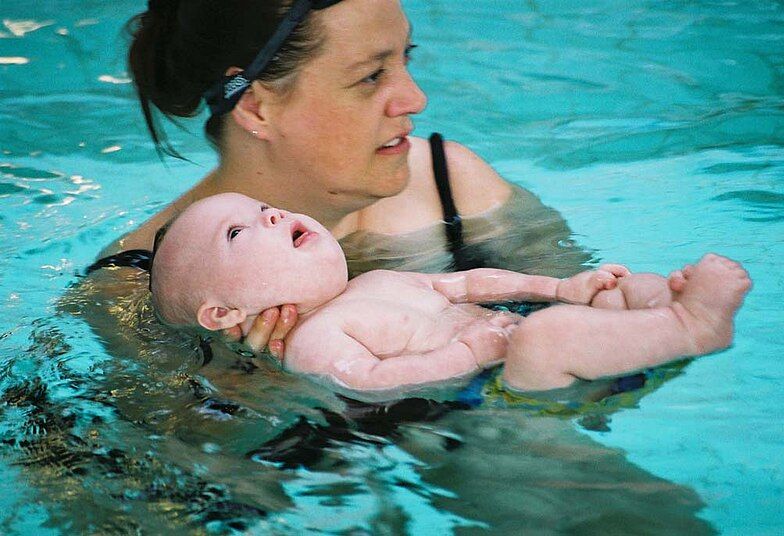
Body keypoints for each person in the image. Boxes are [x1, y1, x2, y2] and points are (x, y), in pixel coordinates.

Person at [102, 0, 591, 357]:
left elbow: (591, 316)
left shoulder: (451, 185)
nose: (414, 98)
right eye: (371, 76)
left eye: (406, 59)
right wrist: (254, 383)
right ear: (258, 106)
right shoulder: (138, 287)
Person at [149, 193, 751, 394]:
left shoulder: (373, 283)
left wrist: (559, 286)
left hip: (549, 350)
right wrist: (470, 355)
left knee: (628, 288)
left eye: (263, 209)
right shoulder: (311, 343)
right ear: (224, 314)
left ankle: (657, 317)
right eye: (239, 232)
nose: (273, 215)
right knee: (546, 337)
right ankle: (693, 327)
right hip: (512, 390)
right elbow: (374, 380)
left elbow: (467, 283)